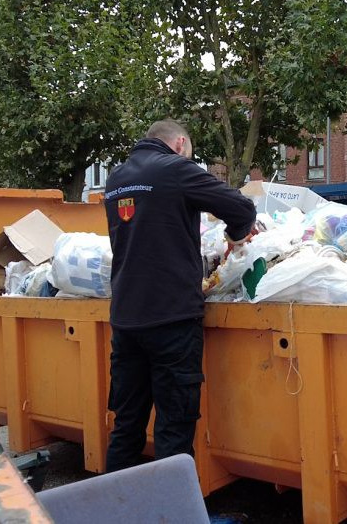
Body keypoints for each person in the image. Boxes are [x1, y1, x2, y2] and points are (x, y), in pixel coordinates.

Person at [104, 119, 256, 472]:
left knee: (126, 426)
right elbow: (241, 208)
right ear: (180, 143)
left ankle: (115, 508)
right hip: (171, 319)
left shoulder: (115, 178)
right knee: (173, 427)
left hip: (126, 319)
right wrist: (236, 237)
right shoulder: (175, 168)